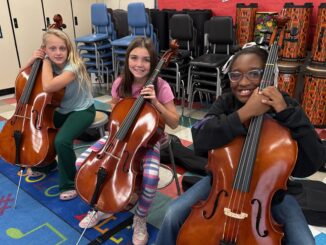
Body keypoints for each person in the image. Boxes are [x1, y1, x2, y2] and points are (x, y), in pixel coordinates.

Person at [156, 45, 325, 245]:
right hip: (221, 185)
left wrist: (285, 112)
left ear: (269, 75)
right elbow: (200, 138)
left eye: (254, 74)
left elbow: (312, 162)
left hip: (271, 196)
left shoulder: (286, 106)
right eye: (236, 75)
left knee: (305, 242)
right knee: (172, 215)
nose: (244, 82)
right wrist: (244, 114)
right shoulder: (227, 102)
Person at [76, 37, 180, 245]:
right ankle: (102, 206)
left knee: (151, 177)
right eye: (134, 58)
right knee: (82, 163)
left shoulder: (161, 86)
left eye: (145, 60)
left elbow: (175, 122)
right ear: (127, 59)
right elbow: (115, 111)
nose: (139, 65)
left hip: (147, 141)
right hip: (117, 137)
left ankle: (140, 217)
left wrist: (155, 103)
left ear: (153, 63)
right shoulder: (120, 82)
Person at [22, 29, 95, 201]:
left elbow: (48, 86)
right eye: (52, 48)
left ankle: (69, 183)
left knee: (62, 140)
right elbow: (23, 76)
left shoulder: (74, 66)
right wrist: (33, 59)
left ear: (68, 49)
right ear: (45, 48)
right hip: (60, 109)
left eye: (62, 48)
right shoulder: (47, 60)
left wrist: (46, 61)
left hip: (82, 110)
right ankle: (48, 165)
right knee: (36, 128)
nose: (58, 52)